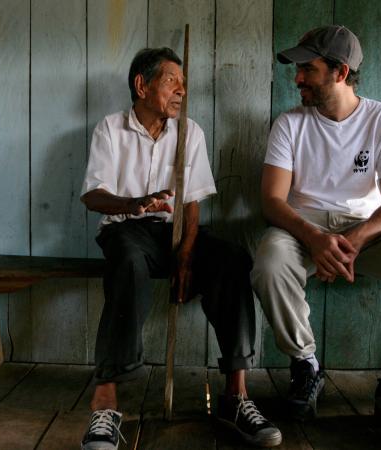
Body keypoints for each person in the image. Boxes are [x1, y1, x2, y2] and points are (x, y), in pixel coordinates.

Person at [250, 26, 381, 449]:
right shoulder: (290, 124)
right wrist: (313, 237)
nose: (297, 79)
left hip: (365, 235)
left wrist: (356, 240)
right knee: (269, 259)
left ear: (340, 72)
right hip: (303, 231)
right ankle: (305, 365)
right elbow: (273, 201)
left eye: (307, 69)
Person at [79, 47, 282, 450]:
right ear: (142, 85)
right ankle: (105, 403)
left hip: (176, 231)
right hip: (126, 230)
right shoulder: (110, 128)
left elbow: (192, 202)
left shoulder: (190, 132)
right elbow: (93, 195)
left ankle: (236, 396)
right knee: (128, 261)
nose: (181, 91)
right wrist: (132, 204)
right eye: (172, 80)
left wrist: (186, 255)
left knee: (231, 260)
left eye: (183, 83)